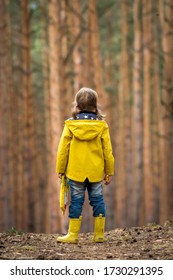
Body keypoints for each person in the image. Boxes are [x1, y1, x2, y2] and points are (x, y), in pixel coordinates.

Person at [56, 87, 114, 243]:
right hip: (95, 172)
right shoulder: (102, 126)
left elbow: (63, 150)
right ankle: (99, 234)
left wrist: (60, 170)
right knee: (98, 200)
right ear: (95, 107)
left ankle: (73, 235)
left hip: (75, 172)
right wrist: (109, 172)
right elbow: (108, 151)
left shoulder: (70, 126)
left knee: (76, 202)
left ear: (77, 107)